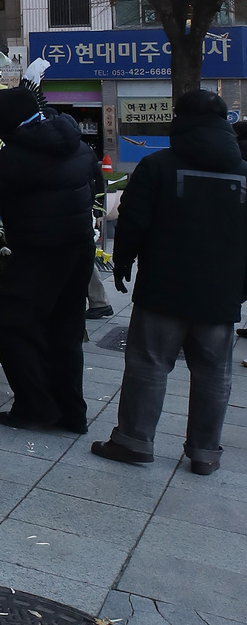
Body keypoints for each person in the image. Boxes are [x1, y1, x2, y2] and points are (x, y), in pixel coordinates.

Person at [93, 89, 247, 474]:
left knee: (149, 362)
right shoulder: (243, 173)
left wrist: (124, 261)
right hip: (221, 293)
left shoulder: (158, 165)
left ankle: (133, 442)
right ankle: (205, 453)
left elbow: (133, 219)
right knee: (215, 371)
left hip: (164, 287)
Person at [0, 82, 100, 433]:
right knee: (65, 330)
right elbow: (94, 184)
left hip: (41, 251)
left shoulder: (21, 154)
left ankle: (36, 406)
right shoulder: (70, 139)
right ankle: (72, 413)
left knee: (10, 322)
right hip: (78, 248)